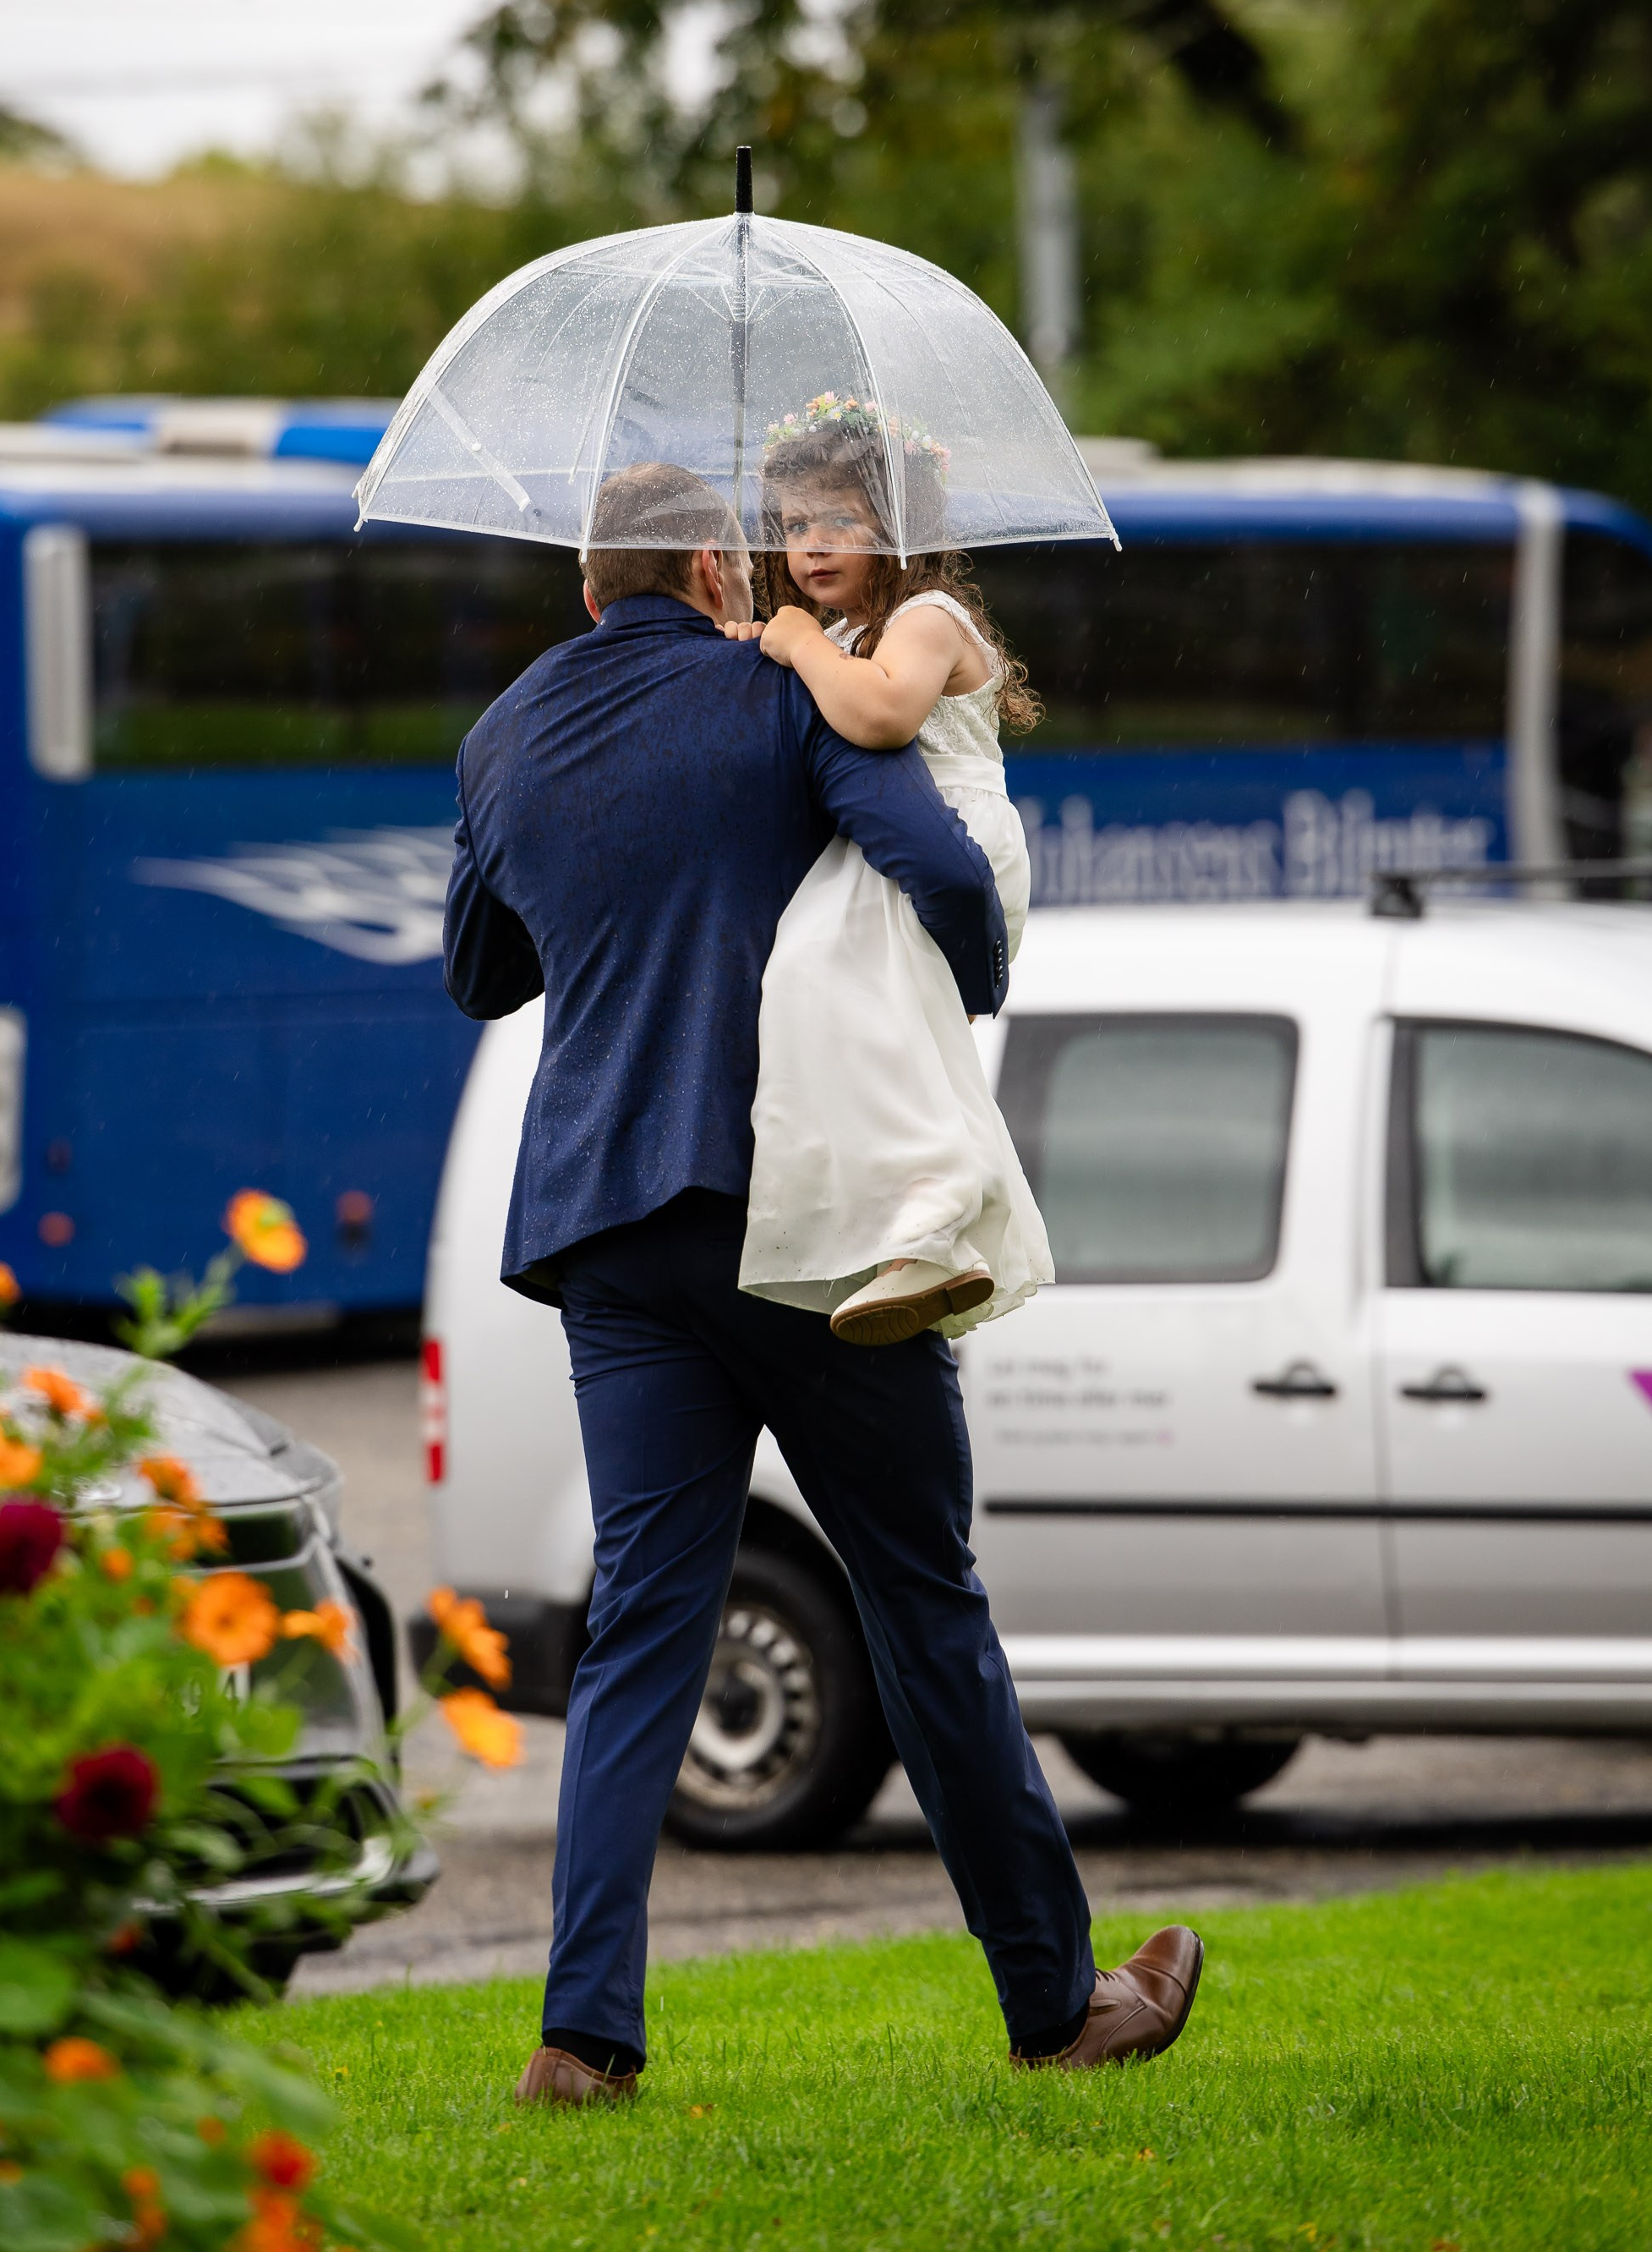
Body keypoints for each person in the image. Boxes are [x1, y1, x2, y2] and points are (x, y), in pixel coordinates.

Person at [442, 456, 1204, 2108]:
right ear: (713, 572)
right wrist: (981, 986)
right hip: (800, 1211)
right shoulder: (771, 692)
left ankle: (582, 2037)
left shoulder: (502, 735)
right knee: (920, 1595)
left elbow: (478, 969)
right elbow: (928, 859)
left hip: (608, 1230)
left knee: (645, 1624)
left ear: (588, 587)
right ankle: (1058, 2002)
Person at [733, 392, 1054, 1346]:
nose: (811, 543)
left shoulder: (928, 615)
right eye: (793, 524)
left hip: (950, 842)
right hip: (897, 846)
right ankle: (914, 1234)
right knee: (835, 1000)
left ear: (900, 524)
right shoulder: (835, 636)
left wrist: (789, 641)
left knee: (829, 978)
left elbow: (879, 719)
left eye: (838, 519)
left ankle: (940, 1223)